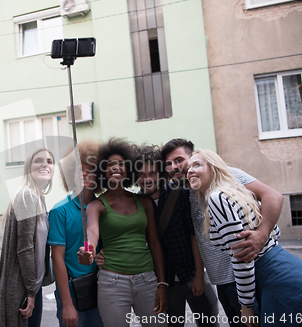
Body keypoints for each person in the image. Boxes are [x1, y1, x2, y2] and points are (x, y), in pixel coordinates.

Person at [187, 149, 302, 327]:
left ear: (213, 168)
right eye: (189, 167)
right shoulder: (233, 191)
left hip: (275, 280)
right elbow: (276, 231)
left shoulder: (217, 198)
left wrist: (247, 306)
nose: (190, 170)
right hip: (292, 269)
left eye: (197, 165)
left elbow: (242, 260)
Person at [161, 138, 283, 326]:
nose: (173, 167)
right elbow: (198, 237)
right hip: (222, 281)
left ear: (193, 157)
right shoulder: (189, 190)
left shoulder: (226, 175)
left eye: (179, 160)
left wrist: (262, 233)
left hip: (244, 278)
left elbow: (273, 196)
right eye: (168, 164)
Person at [79, 137, 167, 327]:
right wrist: (89, 251)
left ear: (128, 170)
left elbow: (154, 243)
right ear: (104, 170)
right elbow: (92, 232)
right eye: (110, 164)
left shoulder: (144, 201)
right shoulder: (96, 206)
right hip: (112, 284)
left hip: (148, 281)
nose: (116, 167)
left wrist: (162, 283)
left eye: (121, 164)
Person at [132, 143, 219, 327]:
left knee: (209, 322)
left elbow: (194, 235)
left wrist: (199, 276)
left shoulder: (181, 194)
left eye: (152, 174)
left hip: (191, 273)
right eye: (141, 174)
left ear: (160, 173)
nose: (147, 179)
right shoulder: (136, 204)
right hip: (166, 283)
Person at [0, 148, 55, 327]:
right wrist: (31, 293)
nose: (45, 164)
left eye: (49, 161)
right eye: (38, 160)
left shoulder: (39, 198)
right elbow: (25, 249)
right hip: (20, 287)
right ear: (28, 168)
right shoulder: (27, 197)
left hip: (32, 286)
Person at [47, 141, 105, 327]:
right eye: (80, 169)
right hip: (72, 293)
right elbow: (57, 259)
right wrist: (67, 305)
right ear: (70, 173)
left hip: (104, 291)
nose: (85, 173)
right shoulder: (59, 211)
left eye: (91, 169)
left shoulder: (105, 208)